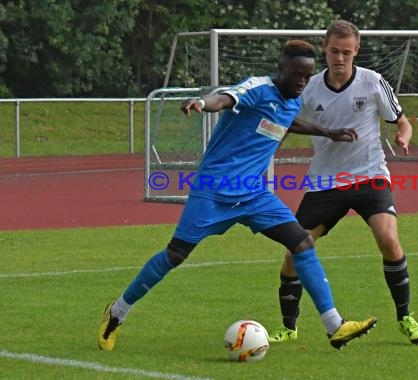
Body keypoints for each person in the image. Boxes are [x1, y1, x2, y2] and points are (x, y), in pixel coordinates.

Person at [98, 39, 376, 352]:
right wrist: (203, 104)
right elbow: (225, 99)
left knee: (302, 243)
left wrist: (327, 131)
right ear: (281, 68)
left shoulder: (293, 100)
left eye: (306, 76)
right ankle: (117, 312)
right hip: (213, 191)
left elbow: (286, 120)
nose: (301, 81)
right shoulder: (257, 88)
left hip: (255, 194)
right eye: (296, 74)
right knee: (175, 254)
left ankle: (334, 326)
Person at [268, 20, 418, 345]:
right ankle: (288, 326)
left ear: (356, 51)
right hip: (325, 183)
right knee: (294, 250)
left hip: (370, 176)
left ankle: (405, 317)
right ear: (324, 48)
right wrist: (263, 148)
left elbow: (403, 120)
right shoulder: (309, 87)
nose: (339, 58)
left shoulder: (372, 82)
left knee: (388, 239)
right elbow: (282, 124)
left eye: (346, 52)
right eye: (334, 51)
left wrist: (403, 135)